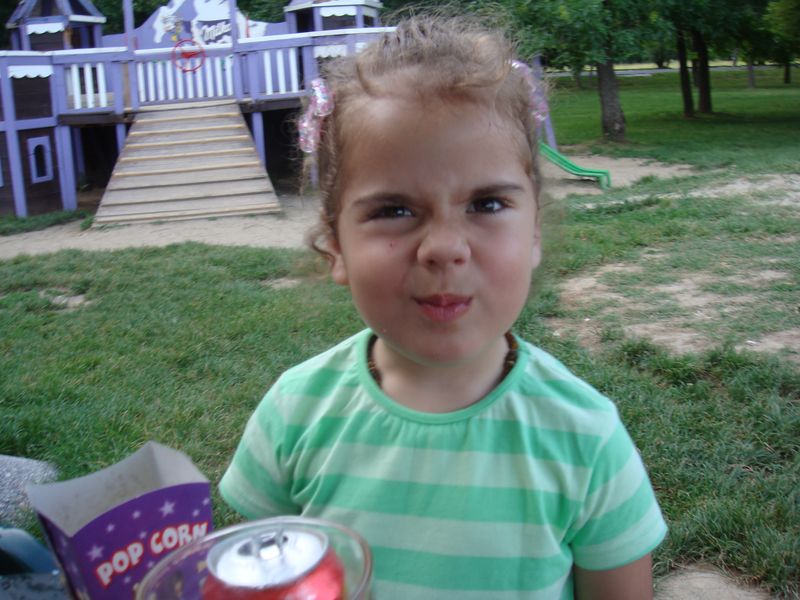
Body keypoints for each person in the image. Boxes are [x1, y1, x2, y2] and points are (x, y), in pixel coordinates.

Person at [219, 16, 667, 599]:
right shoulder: (294, 414)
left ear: (534, 231)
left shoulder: (586, 438)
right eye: (394, 211)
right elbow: (263, 580)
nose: (445, 248)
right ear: (335, 246)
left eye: (486, 203)